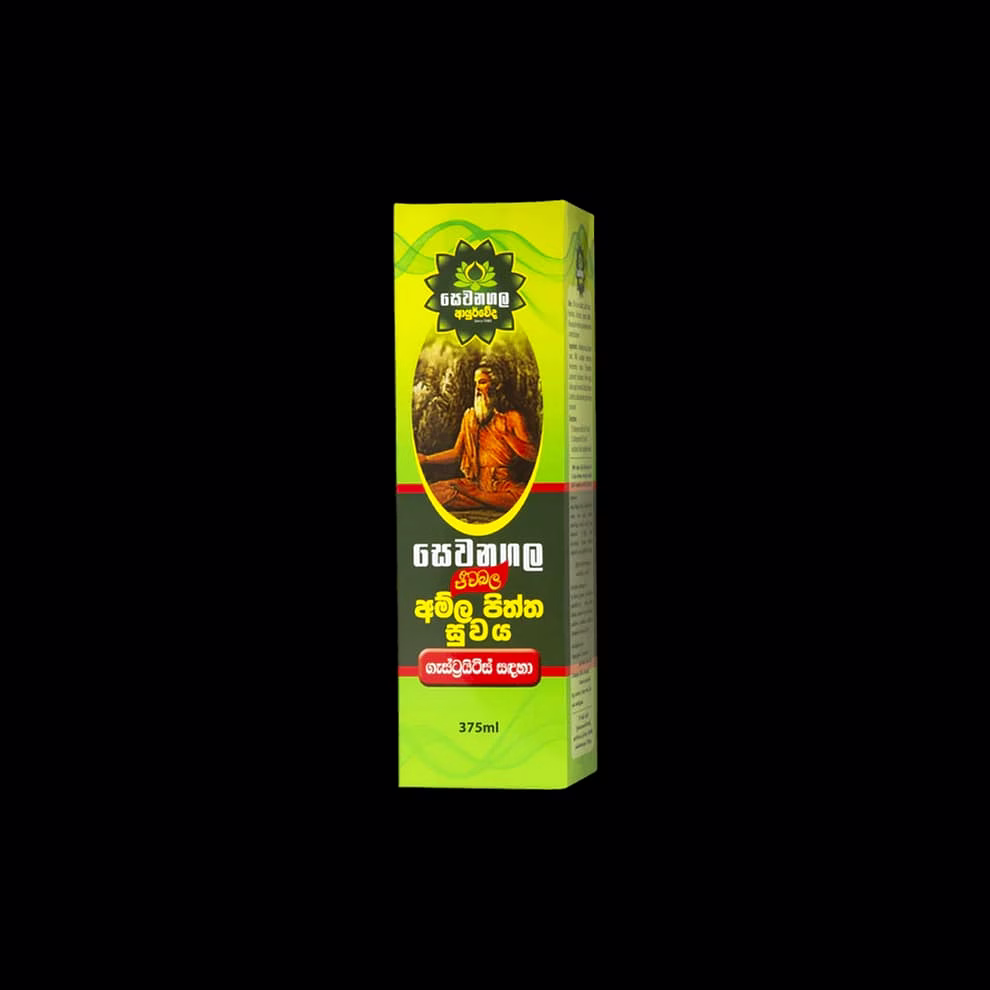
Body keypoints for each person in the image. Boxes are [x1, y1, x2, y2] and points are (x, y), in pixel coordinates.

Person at [417, 361, 537, 513]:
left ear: (496, 385)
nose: (477, 388)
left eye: (482, 382)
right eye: (476, 383)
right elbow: (457, 453)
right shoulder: (470, 417)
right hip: (475, 483)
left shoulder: (512, 418)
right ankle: (487, 500)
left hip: (502, 484)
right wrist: (426, 459)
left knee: (525, 497)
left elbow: (532, 455)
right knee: (433, 492)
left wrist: (506, 435)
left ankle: (477, 497)